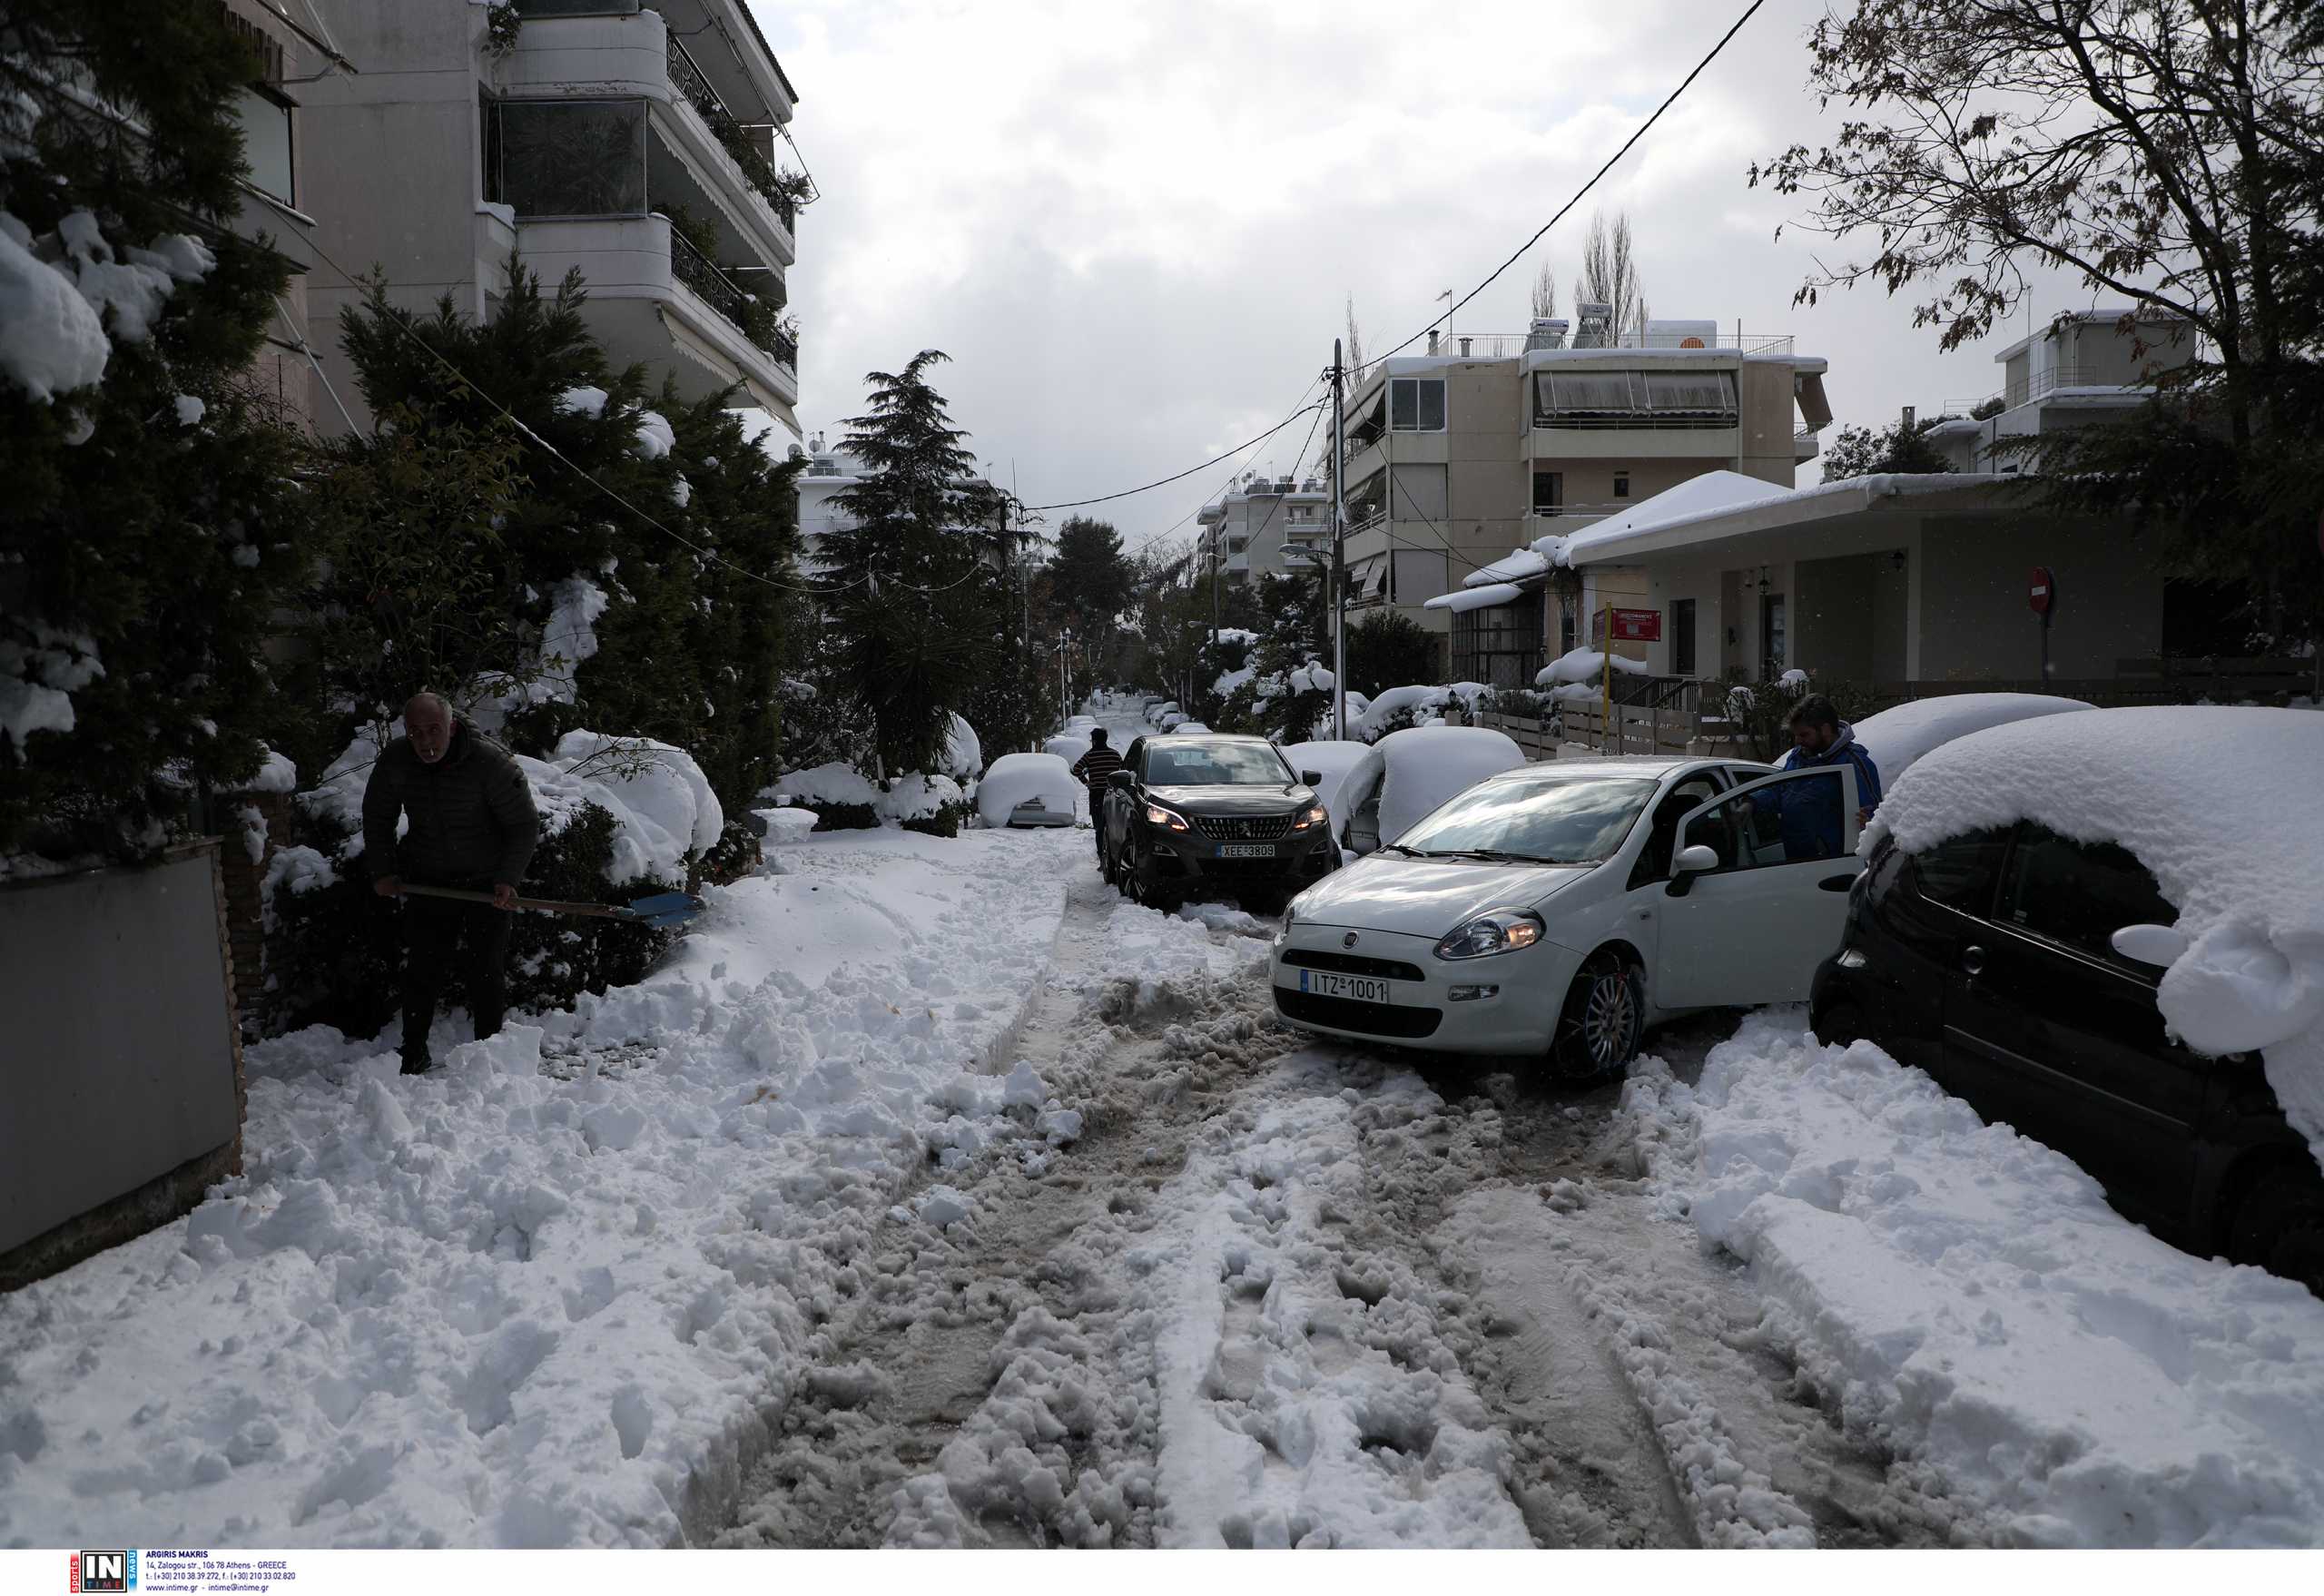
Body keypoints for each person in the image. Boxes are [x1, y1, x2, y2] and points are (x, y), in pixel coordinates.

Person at [362, 692, 541, 1074]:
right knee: (422, 969)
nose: (426, 743)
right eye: (416, 733)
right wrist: (383, 870)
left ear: (452, 726)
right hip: (428, 879)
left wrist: (508, 879)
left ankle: (488, 1055)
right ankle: (413, 1053)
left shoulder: (489, 762)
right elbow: (377, 817)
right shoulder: (396, 761)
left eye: (434, 731)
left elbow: (524, 824)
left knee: (486, 970)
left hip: (485, 882)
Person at [1765, 694, 1881, 861]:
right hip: (1795, 862)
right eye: (1795, 735)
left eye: (1804, 735)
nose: (1797, 741)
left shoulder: (1853, 762)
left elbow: (1872, 813)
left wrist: (1867, 820)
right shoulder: (1798, 757)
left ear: (1825, 730)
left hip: (1830, 864)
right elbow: (1779, 787)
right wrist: (1751, 802)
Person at [1068, 727, 1125, 861]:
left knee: (1099, 828)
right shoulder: (1114, 754)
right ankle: (1115, 856)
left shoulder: (1090, 755)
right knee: (1114, 827)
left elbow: (1076, 769)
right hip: (1113, 796)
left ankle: (1102, 857)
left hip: (1097, 796)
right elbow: (1123, 770)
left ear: (1093, 741)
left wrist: (1087, 782)